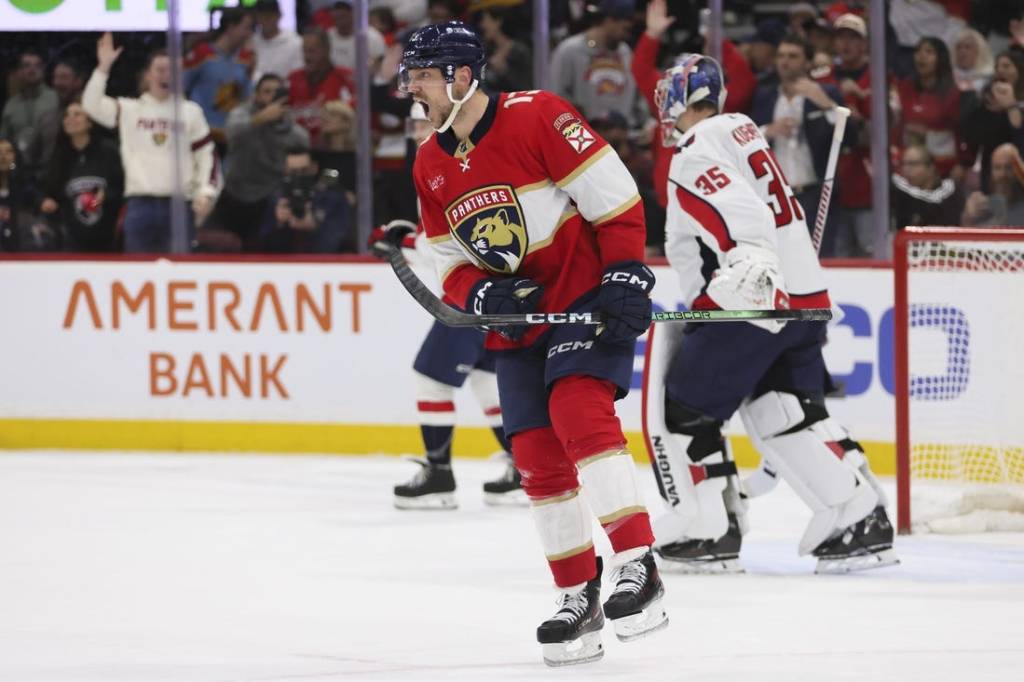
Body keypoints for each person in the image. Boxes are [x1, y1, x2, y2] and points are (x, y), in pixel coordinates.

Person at [396, 20, 667, 666]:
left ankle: (638, 563)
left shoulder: (538, 115)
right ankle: (579, 596)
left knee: (578, 412)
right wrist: (479, 297)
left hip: (581, 298)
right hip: (520, 324)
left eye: (424, 76)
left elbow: (615, 197)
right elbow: (449, 262)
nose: (413, 88)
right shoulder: (431, 162)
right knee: (537, 458)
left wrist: (625, 269)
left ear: (463, 77)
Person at [643, 53, 897, 575]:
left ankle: (708, 527)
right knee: (784, 411)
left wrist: (743, 276)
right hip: (804, 297)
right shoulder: (741, 132)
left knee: (683, 410)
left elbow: (745, 218)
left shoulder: (696, 150)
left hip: (754, 299)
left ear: (680, 100)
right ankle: (857, 514)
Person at [83, 34, 218, 252]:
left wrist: (206, 192)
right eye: (160, 70)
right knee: (138, 275)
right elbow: (91, 105)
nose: (166, 76)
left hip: (179, 205)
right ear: (148, 75)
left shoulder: (191, 112)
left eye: (172, 71)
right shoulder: (130, 109)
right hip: (140, 204)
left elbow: (207, 156)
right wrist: (103, 68)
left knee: (179, 274)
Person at [750, 33, 845, 236]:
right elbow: (744, 138)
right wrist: (768, 131)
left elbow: (849, 138)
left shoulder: (826, 93)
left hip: (815, 196)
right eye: (781, 55)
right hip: (774, 199)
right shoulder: (764, 96)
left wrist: (827, 106)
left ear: (808, 62)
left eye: (793, 56)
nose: (785, 61)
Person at [207, 73, 309, 250]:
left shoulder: (296, 134)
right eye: (266, 91)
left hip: (269, 197)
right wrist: (262, 118)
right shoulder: (240, 114)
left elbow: (302, 167)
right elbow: (230, 133)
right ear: (256, 95)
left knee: (261, 247)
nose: (271, 97)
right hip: (234, 194)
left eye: (276, 92)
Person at [39, 102, 124, 252]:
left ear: (90, 122)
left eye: (77, 114)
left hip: (107, 239)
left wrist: (107, 194)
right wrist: (47, 201)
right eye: (66, 115)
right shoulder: (59, 157)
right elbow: (49, 192)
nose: (70, 118)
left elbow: (122, 185)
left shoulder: (108, 151)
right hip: (72, 242)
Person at [549, 0, 642, 127]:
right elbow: (555, 96)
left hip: (621, 136)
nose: (628, 33)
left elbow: (636, 98)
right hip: (582, 136)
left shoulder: (626, 53)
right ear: (609, 21)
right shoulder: (570, 50)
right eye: (626, 27)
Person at [890, 37, 971, 182]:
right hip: (909, 170)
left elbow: (964, 132)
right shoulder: (904, 88)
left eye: (929, 52)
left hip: (944, 169)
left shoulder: (954, 93)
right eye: (918, 51)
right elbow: (897, 126)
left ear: (941, 58)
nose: (922, 56)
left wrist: (963, 164)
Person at [184, 7, 255, 154]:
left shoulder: (246, 59)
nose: (249, 34)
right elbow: (180, 88)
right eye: (246, 28)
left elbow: (247, 98)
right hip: (201, 135)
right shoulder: (202, 54)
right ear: (231, 27)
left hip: (231, 138)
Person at [262, 145, 352, 253]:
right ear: (285, 169)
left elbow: (340, 243)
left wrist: (314, 227)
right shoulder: (276, 199)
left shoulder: (333, 198)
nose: (298, 176)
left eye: (304, 170)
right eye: (293, 172)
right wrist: (279, 224)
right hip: (284, 266)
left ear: (314, 167)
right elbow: (262, 250)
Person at [288, 28, 356, 147]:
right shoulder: (293, 79)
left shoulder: (346, 78)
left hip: (335, 149)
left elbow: (352, 120)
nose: (307, 57)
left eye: (312, 51)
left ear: (327, 50)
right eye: (304, 51)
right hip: (300, 149)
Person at [0, 50, 59, 174]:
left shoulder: (56, 99)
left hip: (52, 168)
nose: (32, 70)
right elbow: (3, 141)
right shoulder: (11, 105)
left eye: (37, 66)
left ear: (43, 70)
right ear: (19, 72)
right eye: (26, 66)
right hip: (18, 171)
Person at [891, 144, 965, 235]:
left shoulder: (952, 191)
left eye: (912, 164)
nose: (906, 169)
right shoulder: (901, 193)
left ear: (930, 167)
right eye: (903, 164)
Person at [962, 143, 1024, 226]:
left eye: (1008, 167)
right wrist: (967, 217)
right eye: (997, 167)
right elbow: (965, 232)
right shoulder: (980, 204)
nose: (1003, 174)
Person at [252, 0, 303, 82]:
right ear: (256, 18)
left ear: (279, 15)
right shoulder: (251, 43)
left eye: (270, 16)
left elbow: (298, 75)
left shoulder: (295, 42)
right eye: (262, 16)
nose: (266, 20)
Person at [328, 1, 387, 71]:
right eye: (337, 8)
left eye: (345, 9)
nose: (339, 12)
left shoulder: (373, 38)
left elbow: (380, 67)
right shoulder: (327, 36)